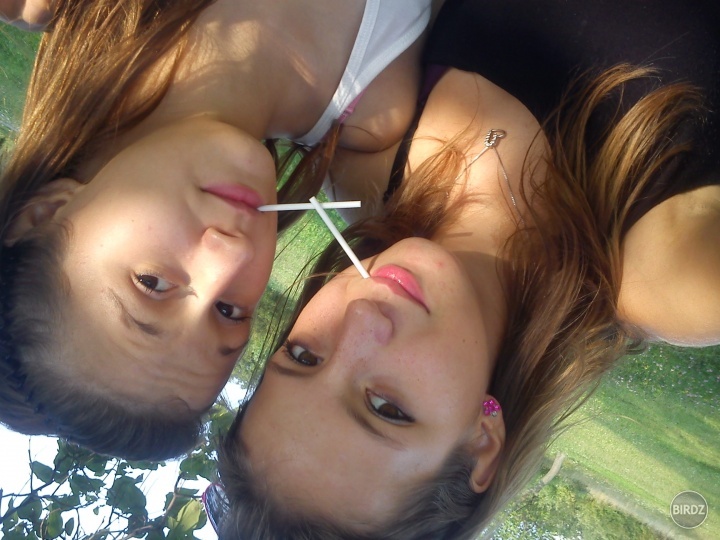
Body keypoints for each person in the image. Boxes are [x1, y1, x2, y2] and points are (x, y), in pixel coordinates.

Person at [212, 0, 719, 537]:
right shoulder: (677, 283)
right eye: (386, 407)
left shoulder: (362, 150)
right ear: (480, 442)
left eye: (303, 355)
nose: (360, 319)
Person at [0, 0, 434, 460]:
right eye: (229, 311)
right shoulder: (374, 130)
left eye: (152, 283)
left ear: (45, 213)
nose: (232, 256)